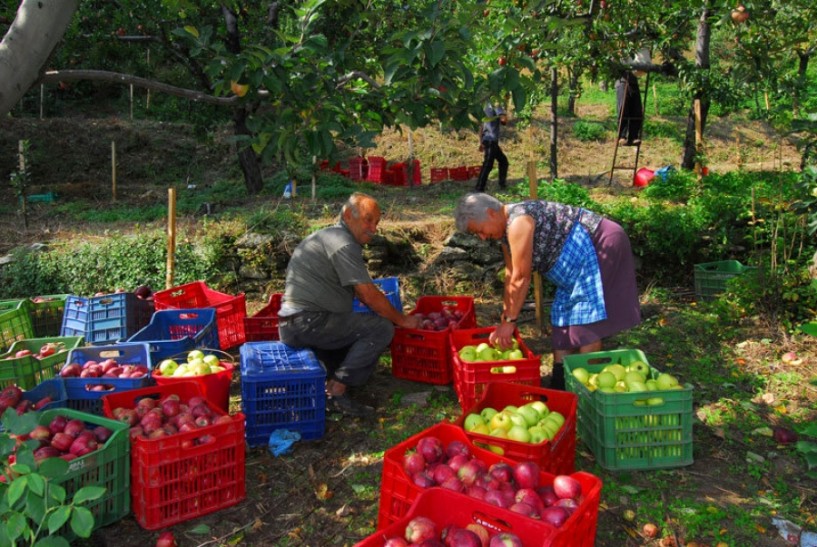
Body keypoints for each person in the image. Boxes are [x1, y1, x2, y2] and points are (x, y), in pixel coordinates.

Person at [454, 192, 641, 390]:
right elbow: (510, 275)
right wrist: (505, 319)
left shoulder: (519, 221)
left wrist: (510, 322)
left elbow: (521, 277)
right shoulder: (505, 235)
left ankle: (585, 387)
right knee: (562, 315)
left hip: (600, 244)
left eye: (480, 230)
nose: (483, 238)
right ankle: (560, 383)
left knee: (587, 320)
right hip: (576, 265)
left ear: (491, 213)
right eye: (477, 235)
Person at [277, 192, 422, 417]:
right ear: (347, 215)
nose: (373, 228)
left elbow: (355, 290)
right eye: (368, 220)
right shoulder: (343, 243)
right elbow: (367, 295)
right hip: (308, 322)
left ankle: (329, 380)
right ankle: (336, 390)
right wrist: (403, 320)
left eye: (377, 222)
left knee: (356, 353)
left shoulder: (329, 236)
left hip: (295, 323)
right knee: (381, 328)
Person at [475, 102, 509, 192]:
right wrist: (505, 112)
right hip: (491, 140)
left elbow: (481, 126)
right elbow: (503, 120)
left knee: (503, 161)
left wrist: (481, 142)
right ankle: (479, 188)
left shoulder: (485, 105)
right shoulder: (496, 104)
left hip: (487, 140)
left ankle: (502, 184)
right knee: (488, 165)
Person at [615, 71, 643, 146]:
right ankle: (622, 137)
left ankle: (633, 137)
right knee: (623, 110)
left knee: (637, 110)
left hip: (633, 82)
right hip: (622, 82)